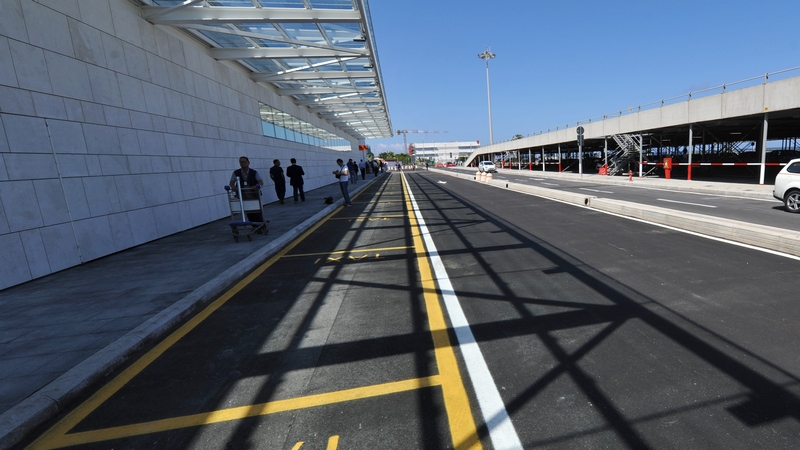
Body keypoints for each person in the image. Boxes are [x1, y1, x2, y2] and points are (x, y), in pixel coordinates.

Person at [229, 156, 265, 224]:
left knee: (256, 211)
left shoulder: (253, 172)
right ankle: (254, 225)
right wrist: (233, 187)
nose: (242, 163)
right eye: (241, 162)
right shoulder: (236, 173)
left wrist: (256, 186)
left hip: (253, 195)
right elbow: (231, 182)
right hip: (243, 195)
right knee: (248, 211)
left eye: (244, 162)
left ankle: (260, 224)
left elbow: (261, 182)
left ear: (248, 162)